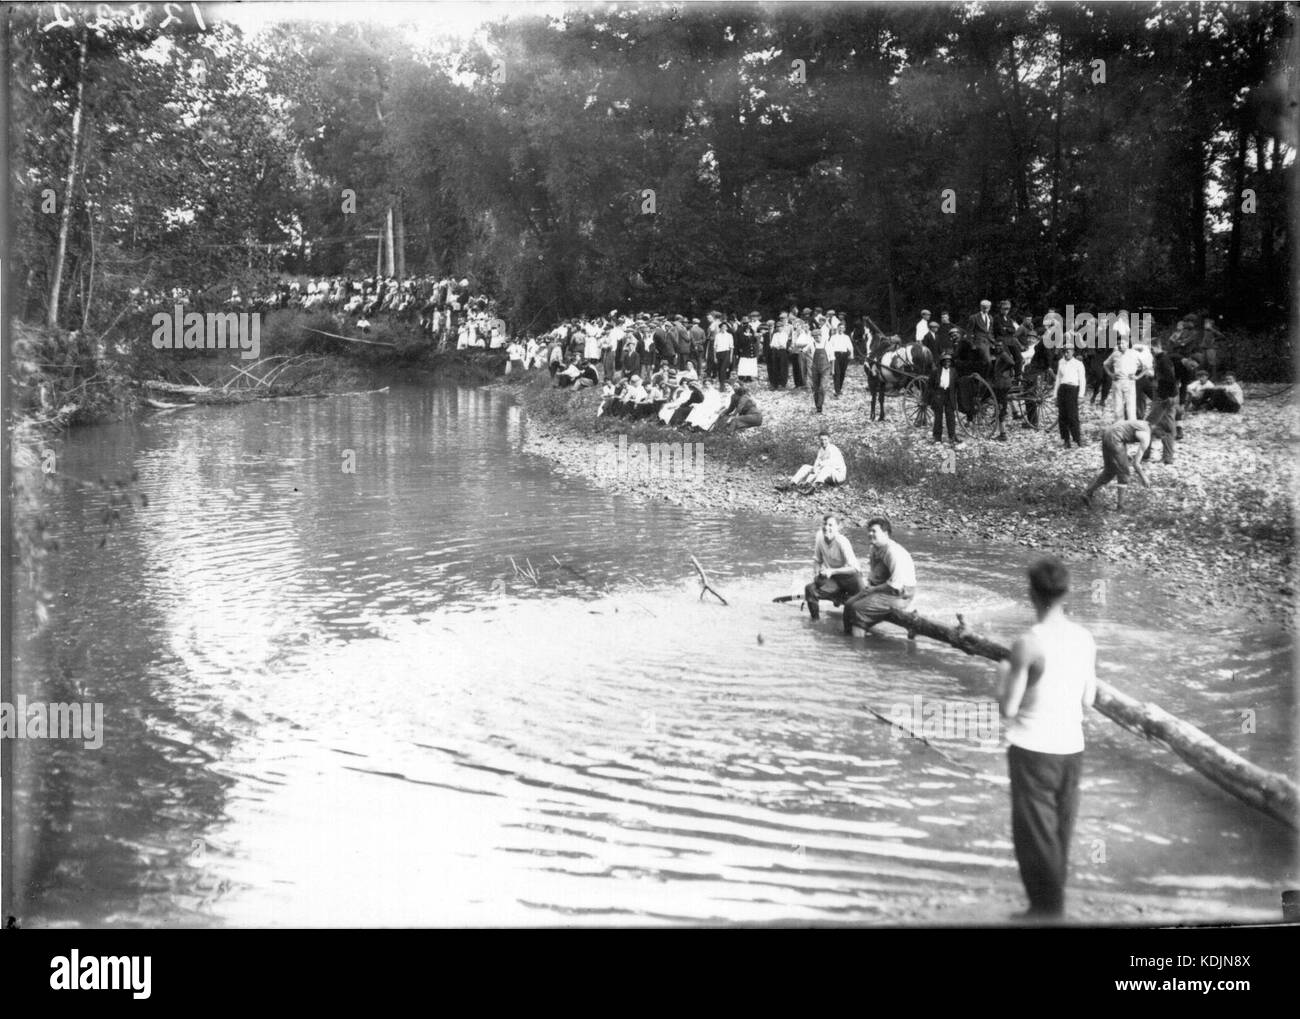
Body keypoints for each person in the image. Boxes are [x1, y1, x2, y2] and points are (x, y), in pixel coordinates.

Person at [996, 557, 1097, 921]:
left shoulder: (1028, 644)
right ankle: (1052, 907)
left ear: (1032, 594)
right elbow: (1089, 700)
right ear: (1067, 592)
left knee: (1034, 835)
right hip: (1071, 747)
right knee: (1059, 831)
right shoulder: (1085, 639)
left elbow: (1008, 709)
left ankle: (1046, 912)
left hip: (1033, 748)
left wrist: (1002, 675)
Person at [842, 517, 916, 635]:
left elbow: (895, 585)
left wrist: (873, 590)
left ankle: (856, 647)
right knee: (849, 604)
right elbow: (875, 574)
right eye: (869, 531)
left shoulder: (893, 552)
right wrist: (870, 589)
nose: (870, 534)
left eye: (874, 531)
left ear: (885, 533)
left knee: (858, 609)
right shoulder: (874, 548)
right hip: (882, 588)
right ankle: (847, 638)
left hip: (901, 594)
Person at [803, 514, 865, 620]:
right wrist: (816, 573)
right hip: (834, 579)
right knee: (810, 589)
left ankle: (841, 598)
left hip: (851, 579)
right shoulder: (819, 536)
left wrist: (832, 571)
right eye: (825, 524)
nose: (827, 528)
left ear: (838, 528)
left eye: (831, 525)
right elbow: (817, 560)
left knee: (861, 606)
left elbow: (854, 568)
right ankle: (815, 621)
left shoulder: (842, 541)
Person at [1082, 419, 1151, 510]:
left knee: (1110, 470)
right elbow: (1136, 464)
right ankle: (1120, 506)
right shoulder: (1146, 435)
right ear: (1161, 432)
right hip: (1115, 438)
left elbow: (1124, 431)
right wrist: (1144, 477)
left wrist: (1123, 453)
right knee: (1124, 472)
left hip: (1108, 433)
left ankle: (1087, 493)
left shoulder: (1144, 423)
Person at [1142, 337, 1178, 464]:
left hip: (1164, 397)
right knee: (1163, 426)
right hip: (1165, 395)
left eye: (1151, 348)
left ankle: (1148, 455)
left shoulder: (1164, 360)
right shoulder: (1160, 359)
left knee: (1151, 425)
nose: (1150, 351)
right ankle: (1165, 456)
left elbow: (1170, 379)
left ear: (1157, 346)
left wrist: (1168, 397)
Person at [1053, 339, 1085, 448]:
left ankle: (1077, 439)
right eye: (1064, 351)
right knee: (1062, 416)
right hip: (1062, 389)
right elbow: (1058, 378)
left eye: (1068, 351)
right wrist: (1055, 395)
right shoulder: (1061, 362)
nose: (1066, 353)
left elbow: (1082, 380)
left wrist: (1081, 395)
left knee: (1072, 416)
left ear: (1073, 352)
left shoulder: (1078, 364)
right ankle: (1066, 439)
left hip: (1073, 389)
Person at [1103, 335, 1143, 421]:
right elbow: (1105, 364)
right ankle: (1119, 429)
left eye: (1122, 343)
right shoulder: (1115, 354)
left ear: (1127, 344)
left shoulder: (1134, 353)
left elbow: (1146, 366)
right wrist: (1111, 374)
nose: (1120, 345)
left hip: (1129, 382)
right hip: (1117, 382)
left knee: (1131, 407)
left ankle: (1131, 428)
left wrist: (1137, 376)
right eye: (1118, 344)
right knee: (1118, 408)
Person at [929, 350, 960, 446]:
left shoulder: (953, 372)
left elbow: (957, 384)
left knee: (950, 416)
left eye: (949, 362)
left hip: (949, 395)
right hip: (939, 394)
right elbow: (930, 385)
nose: (947, 363)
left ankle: (952, 436)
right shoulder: (936, 371)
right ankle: (937, 437)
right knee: (938, 416)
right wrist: (931, 397)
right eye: (945, 361)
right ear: (942, 362)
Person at [828, 322, 853, 396]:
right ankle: (837, 390)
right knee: (836, 372)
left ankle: (839, 388)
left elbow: (850, 347)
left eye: (842, 328)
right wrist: (831, 357)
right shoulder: (833, 337)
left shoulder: (846, 337)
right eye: (840, 328)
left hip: (844, 356)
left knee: (842, 373)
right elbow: (830, 348)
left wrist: (851, 354)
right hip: (836, 355)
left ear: (844, 329)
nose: (841, 329)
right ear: (837, 328)